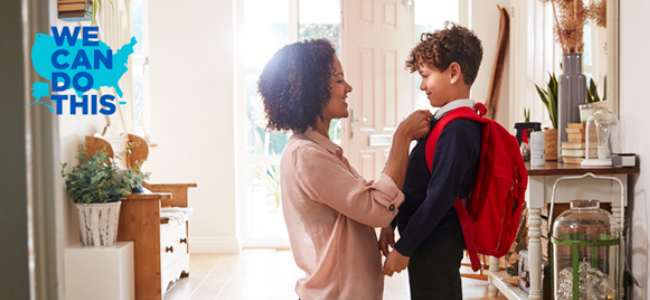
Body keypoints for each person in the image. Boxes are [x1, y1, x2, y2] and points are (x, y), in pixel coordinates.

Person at [257, 38, 432, 300]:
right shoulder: (307, 156)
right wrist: (402, 136)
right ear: (313, 90)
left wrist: (385, 222)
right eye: (339, 80)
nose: (348, 87)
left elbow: (366, 201)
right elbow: (377, 208)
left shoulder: (319, 150)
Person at [379, 22, 484, 300]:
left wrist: (405, 247)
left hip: (436, 242)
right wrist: (390, 222)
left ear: (453, 73)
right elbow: (416, 180)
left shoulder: (458, 129)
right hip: (426, 240)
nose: (422, 85)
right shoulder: (444, 123)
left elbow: (439, 197)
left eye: (425, 75)